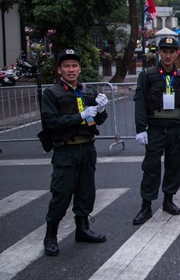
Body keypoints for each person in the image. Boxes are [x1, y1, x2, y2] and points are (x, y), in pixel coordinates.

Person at [41, 49, 109, 257]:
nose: (71, 69)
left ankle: (82, 229)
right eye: (67, 66)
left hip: (87, 148)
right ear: (59, 69)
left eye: (74, 66)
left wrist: (100, 111)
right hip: (66, 150)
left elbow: (95, 121)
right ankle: (51, 235)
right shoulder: (52, 94)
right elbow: (51, 123)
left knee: (86, 192)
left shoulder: (86, 91)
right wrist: (80, 115)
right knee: (61, 195)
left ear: (80, 69)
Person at [132, 37, 180, 225]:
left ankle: (169, 199)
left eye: (171, 51)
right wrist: (140, 128)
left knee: (175, 166)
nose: (168, 55)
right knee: (151, 167)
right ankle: (146, 205)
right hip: (155, 129)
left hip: (176, 129)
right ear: (159, 52)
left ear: (177, 53)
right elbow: (141, 102)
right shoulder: (148, 75)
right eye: (164, 51)